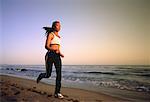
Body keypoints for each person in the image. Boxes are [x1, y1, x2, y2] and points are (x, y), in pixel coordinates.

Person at [36, 21, 64, 99]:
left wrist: (60, 53)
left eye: (60, 26)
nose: (60, 27)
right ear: (54, 27)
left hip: (57, 56)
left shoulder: (59, 37)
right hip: (50, 55)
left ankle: (57, 92)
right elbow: (46, 46)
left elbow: (58, 47)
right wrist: (54, 50)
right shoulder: (51, 34)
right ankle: (41, 75)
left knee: (59, 74)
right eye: (58, 25)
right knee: (48, 74)